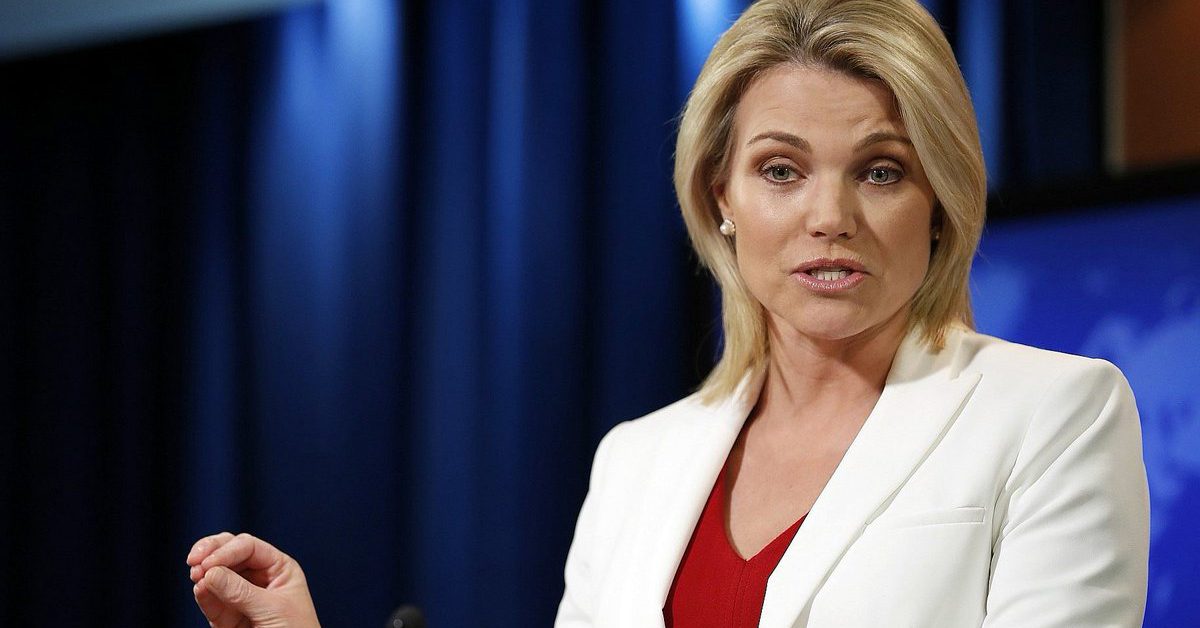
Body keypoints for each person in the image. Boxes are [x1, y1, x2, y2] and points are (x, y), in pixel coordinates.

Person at [188, 0, 1150, 626]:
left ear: (938, 201)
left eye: (881, 171)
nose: (830, 217)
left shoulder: (1054, 412)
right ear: (720, 196)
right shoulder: (637, 461)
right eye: (781, 170)